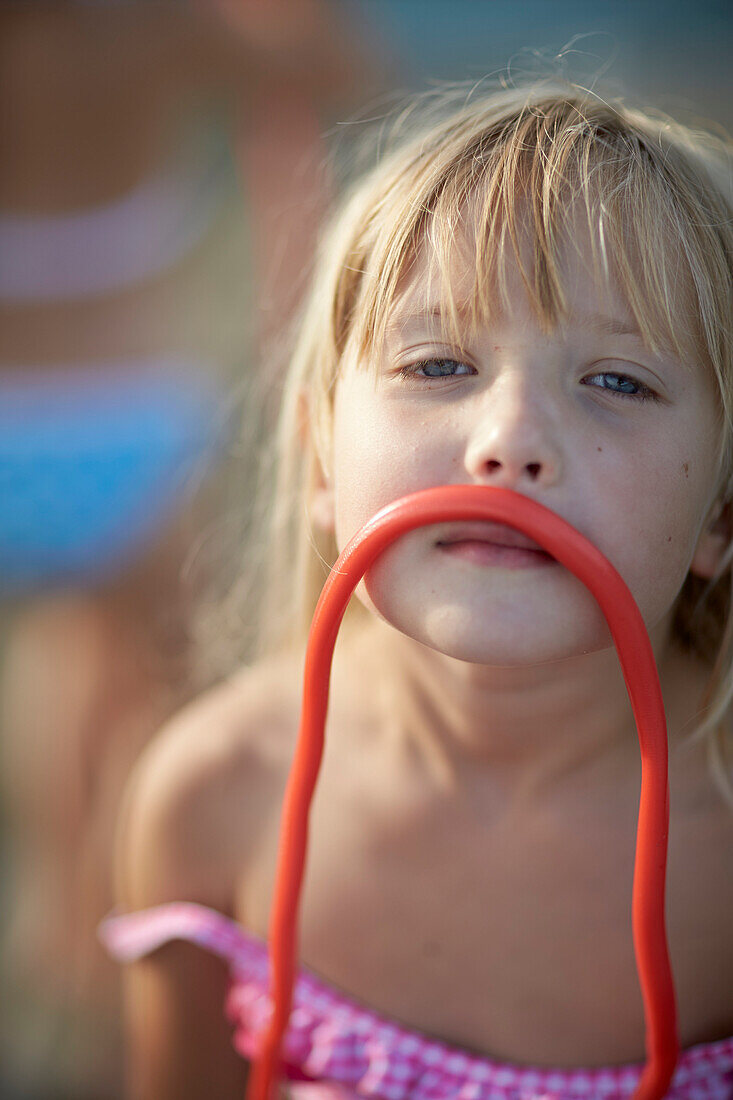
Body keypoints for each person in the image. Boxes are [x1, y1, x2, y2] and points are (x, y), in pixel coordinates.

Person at [102, 81, 733, 1099]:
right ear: (318, 462)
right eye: (437, 363)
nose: (509, 441)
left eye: (617, 380)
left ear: (720, 514)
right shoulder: (214, 794)